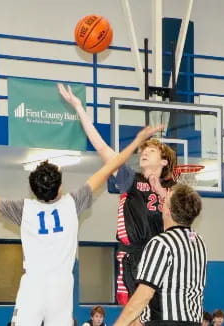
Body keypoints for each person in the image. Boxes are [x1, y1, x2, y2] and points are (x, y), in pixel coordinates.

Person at [0, 125, 163, 326]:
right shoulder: (72, 202)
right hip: (61, 287)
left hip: (33, 286)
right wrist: (137, 141)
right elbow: (111, 165)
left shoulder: (24, 209)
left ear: (32, 190)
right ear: (60, 187)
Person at [59, 83, 177, 306]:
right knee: (133, 314)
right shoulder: (131, 179)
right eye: (142, 151)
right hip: (133, 256)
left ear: (163, 161)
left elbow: (182, 221)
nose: (144, 154)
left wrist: (162, 192)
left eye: (150, 151)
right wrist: (79, 108)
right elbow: (103, 148)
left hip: (160, 257)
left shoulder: (173, 191)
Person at [113, 183, 207, 326]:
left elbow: (144, 295)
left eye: (165, 200)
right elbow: (168, 293)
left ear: (168, 210)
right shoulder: (199, 242)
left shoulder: (161, 242)